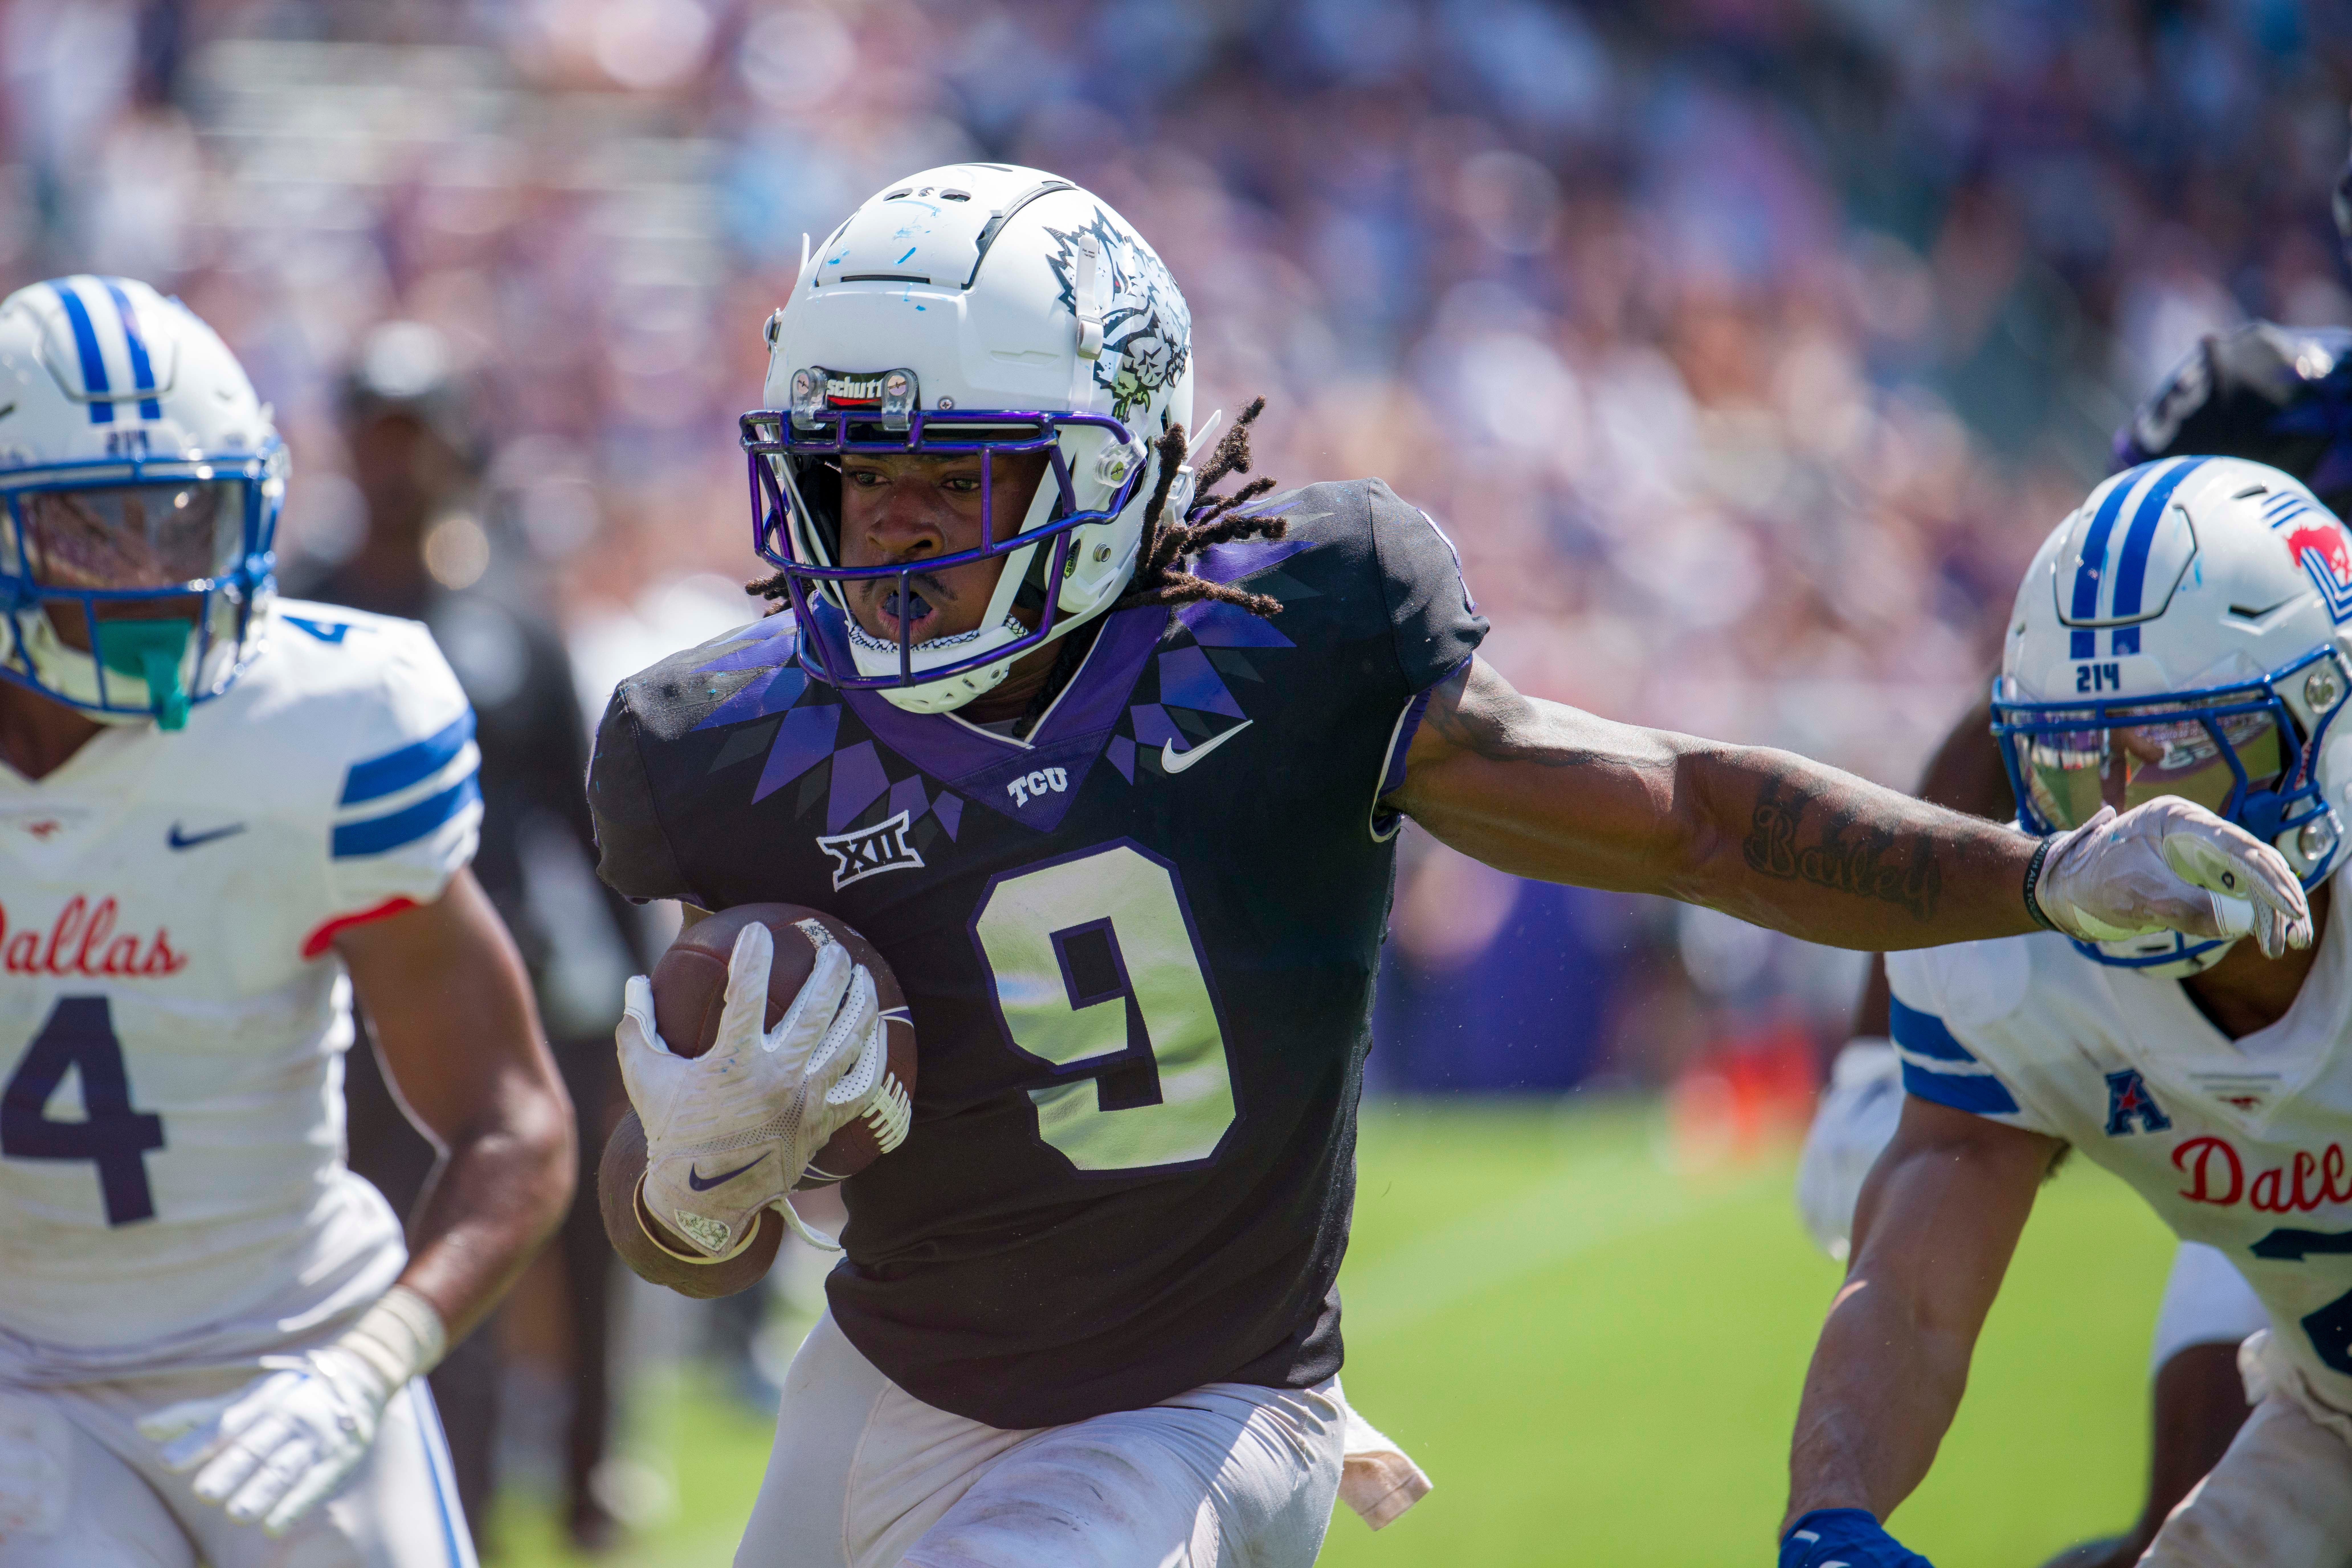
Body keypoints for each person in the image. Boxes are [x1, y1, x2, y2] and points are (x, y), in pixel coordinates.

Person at [584, 166, 2302, 1568]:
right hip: (888, 1374)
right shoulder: (718, 747)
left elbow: (1689, 814)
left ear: (1110, 464)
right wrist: (692, 1181)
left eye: (945, 489)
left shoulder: (1292, 634)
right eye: (845, 484)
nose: (884, 545)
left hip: (1192, 1408)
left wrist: (2037, 871)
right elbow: (687, 1247)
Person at [0, 276, 574, 1567]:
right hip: (20, 1368)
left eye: (188, 518)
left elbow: (516, 1122)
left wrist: (374, 1355)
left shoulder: (326, 721)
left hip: (292, 1336)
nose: (155, 570)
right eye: (96, 529)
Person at [1794, 307, 2352, 1567]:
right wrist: (1831, 1509)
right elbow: (1921, 1290)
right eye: (2070, 764)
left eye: (2172, 755)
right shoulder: (2027, 945)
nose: (2120, 814)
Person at [297, 319, 640, 1551]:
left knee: (540, 1251)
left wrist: (643, 998)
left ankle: (557, 1490)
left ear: (453, 443)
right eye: (374, 434)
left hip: (522, 988)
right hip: (350, 1003)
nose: (395, 460)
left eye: (415, 432)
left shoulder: (512, 615)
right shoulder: (303, 611)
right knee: (380, 1260)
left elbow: (585, 817)